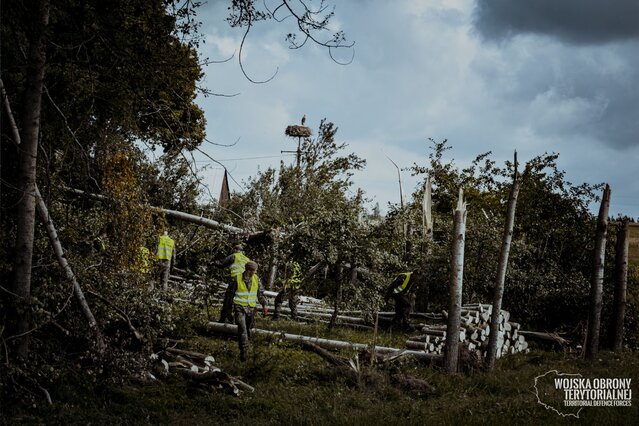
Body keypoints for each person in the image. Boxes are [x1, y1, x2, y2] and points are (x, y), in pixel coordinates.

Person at [229, 261, 268, 361]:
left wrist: (265, 305)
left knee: (248, 329)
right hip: (239, 308)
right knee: (242, 329)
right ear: (249, 270)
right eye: (254, 271)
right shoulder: (236, 279)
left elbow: (260, 294)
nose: (255, 273)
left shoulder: (256, 279)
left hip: (251, 309)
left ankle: (248, 347)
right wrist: (228, 311)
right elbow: (229, 296)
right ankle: (244, 352)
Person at [213, 244, 250, 323]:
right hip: (246, 283)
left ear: (235, 250)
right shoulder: (247, 259)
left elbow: (222, 264)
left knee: (228, 300)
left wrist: (213, 262)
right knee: (241, 300)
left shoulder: (234, 256)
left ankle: (223, 319)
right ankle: (241, 320)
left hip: (235, 281)